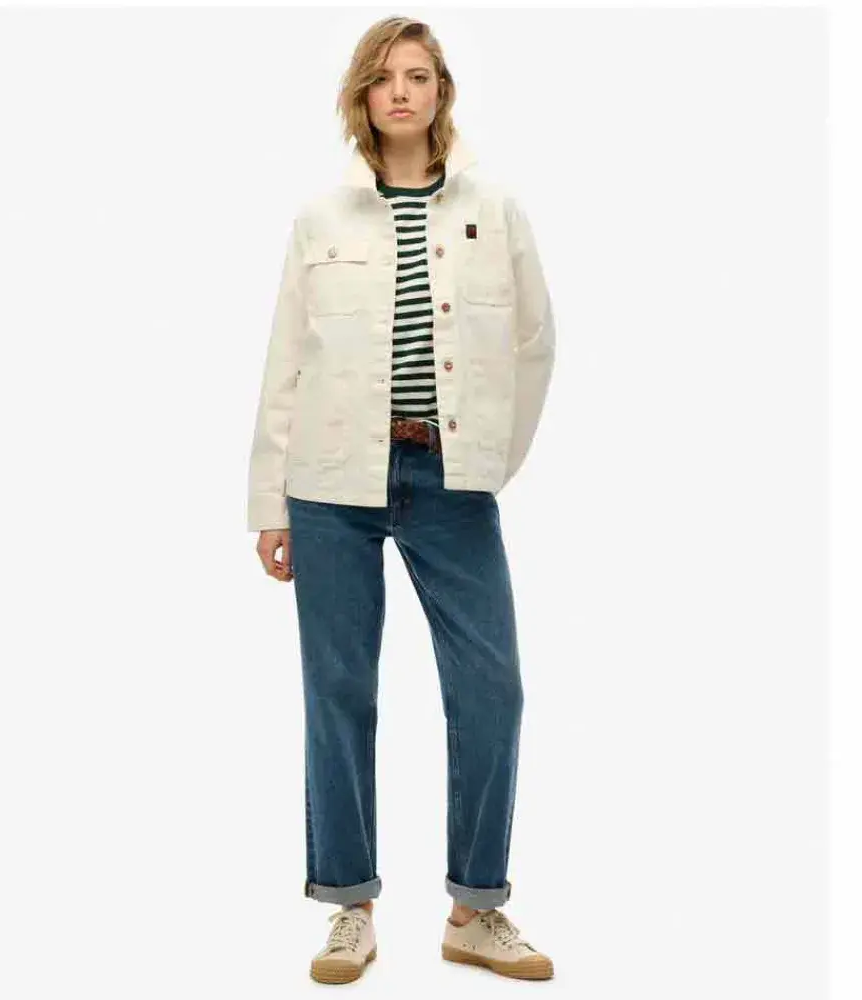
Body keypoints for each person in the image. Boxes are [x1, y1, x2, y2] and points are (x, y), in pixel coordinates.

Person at [247, 16, 555, 985]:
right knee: (339, 691)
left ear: (440, 90)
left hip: (449, 477)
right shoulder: (321, 219)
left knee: (493, 687)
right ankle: (349, 907)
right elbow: (285, 363)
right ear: (362, 96)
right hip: (330, 480)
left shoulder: (494, 208)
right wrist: (270, 503)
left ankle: (476, 908)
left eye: (417, 75)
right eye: (384, 78)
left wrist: (493, 459)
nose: (401, 92)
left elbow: (536, 344)